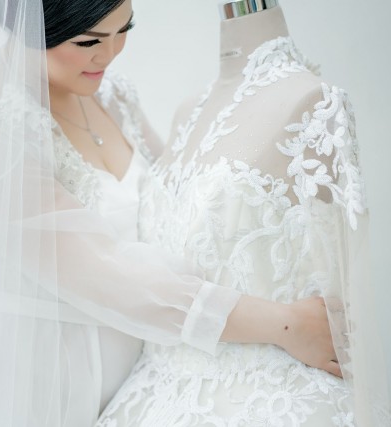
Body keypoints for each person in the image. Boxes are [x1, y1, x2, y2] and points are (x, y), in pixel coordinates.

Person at [0, 1, 344, 426]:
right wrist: (283, 324)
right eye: (88, 41)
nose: (109, 54)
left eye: (124, 29)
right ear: (28, 24)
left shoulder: (110, 96)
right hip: (48, 391)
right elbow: (109, 275)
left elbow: (175, 207)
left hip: (153, 374)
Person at [98, 2, 390, 425]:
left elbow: (341, 282)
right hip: (150, 391)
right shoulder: (187, 112)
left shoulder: (313, 101)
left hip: (267, 397)